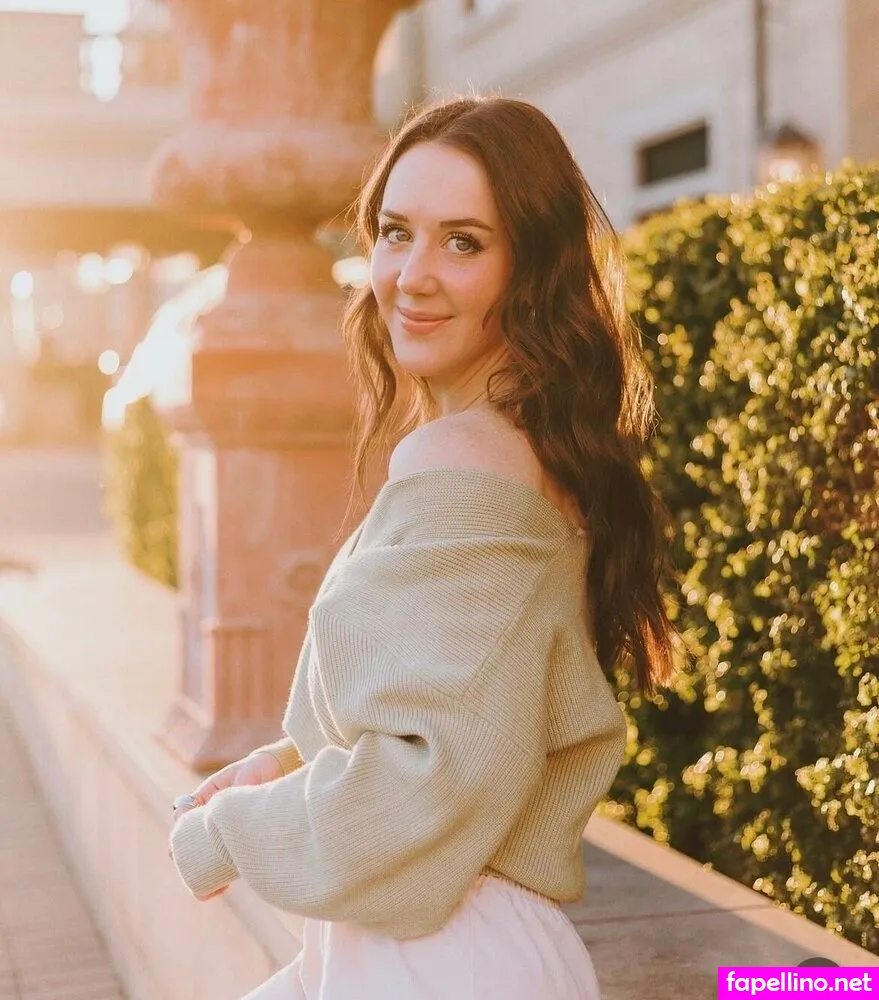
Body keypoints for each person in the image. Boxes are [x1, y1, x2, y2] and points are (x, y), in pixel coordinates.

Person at [168, 94, 683, 999]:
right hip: (443, 944)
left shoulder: (464, 457)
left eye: (463, 242)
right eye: (395, 232)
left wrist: (224, 833)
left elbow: (424, 782)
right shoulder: (532, 446)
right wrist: (288, 761)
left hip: (441, 949)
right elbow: (470, 705)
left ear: (530, 269)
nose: (412, 274)